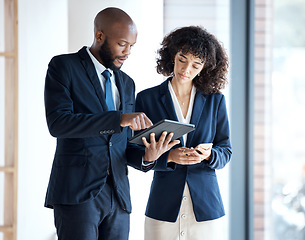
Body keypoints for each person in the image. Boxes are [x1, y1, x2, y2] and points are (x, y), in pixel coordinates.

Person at [43, 7, 153, 240]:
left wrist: (148, 157)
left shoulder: (127, 83)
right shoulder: (64, 67)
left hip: (119, 197)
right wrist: (119, 119)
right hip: (77, 193)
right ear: (100, 36)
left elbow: (120, 145)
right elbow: (59, 123)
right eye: (122, 44)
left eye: (132, 46)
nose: (127, 52)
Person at [127, 26, 232, 240]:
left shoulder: (215, 100)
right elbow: (131, 151)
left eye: (196, 64)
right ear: (173, 54)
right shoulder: (146, 99)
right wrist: (166, 157)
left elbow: (226, 150)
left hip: (206, 209)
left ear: (205, 68)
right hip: (162, 207)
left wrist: (209, 155)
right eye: (182, 59)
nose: (186, 69)